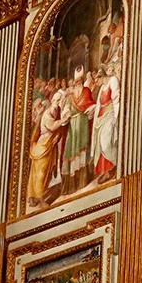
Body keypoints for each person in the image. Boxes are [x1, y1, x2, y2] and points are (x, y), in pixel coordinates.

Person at [27, 90, 70, 208]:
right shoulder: (47, 114)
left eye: (59, 100)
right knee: (40, 173)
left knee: (46, 173)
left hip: (50, 144)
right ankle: (39, 199)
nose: (57, 102)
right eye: (56, 100)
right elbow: (51, 126)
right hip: (43, 145)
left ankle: (36, 196)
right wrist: (63, 120)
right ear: (52, 100)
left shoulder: (57, 110)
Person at [61, 63, 97, 195]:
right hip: (72, 125)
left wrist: (90, 109)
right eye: (76, 83)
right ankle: (71, 184)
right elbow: (65, 110)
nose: (78, 84)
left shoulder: (86, 91)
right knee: (70, 152)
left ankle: (82, 180)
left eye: (79, 82)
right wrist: (65, 115)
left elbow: (92, 103)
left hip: (82, 122)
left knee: (82, 150)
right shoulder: (70, 97)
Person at [92, 64, 120, 183]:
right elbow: (99, 104)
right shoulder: (102, 88)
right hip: (101, 118)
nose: (96, 82)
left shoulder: (113, 81)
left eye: (96, 80)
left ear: (101, 76)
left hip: (110, 114)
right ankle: (107, 170)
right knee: (100, 144)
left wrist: (116, 116)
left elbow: (116, 98)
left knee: (106, 142)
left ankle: (114, 164)